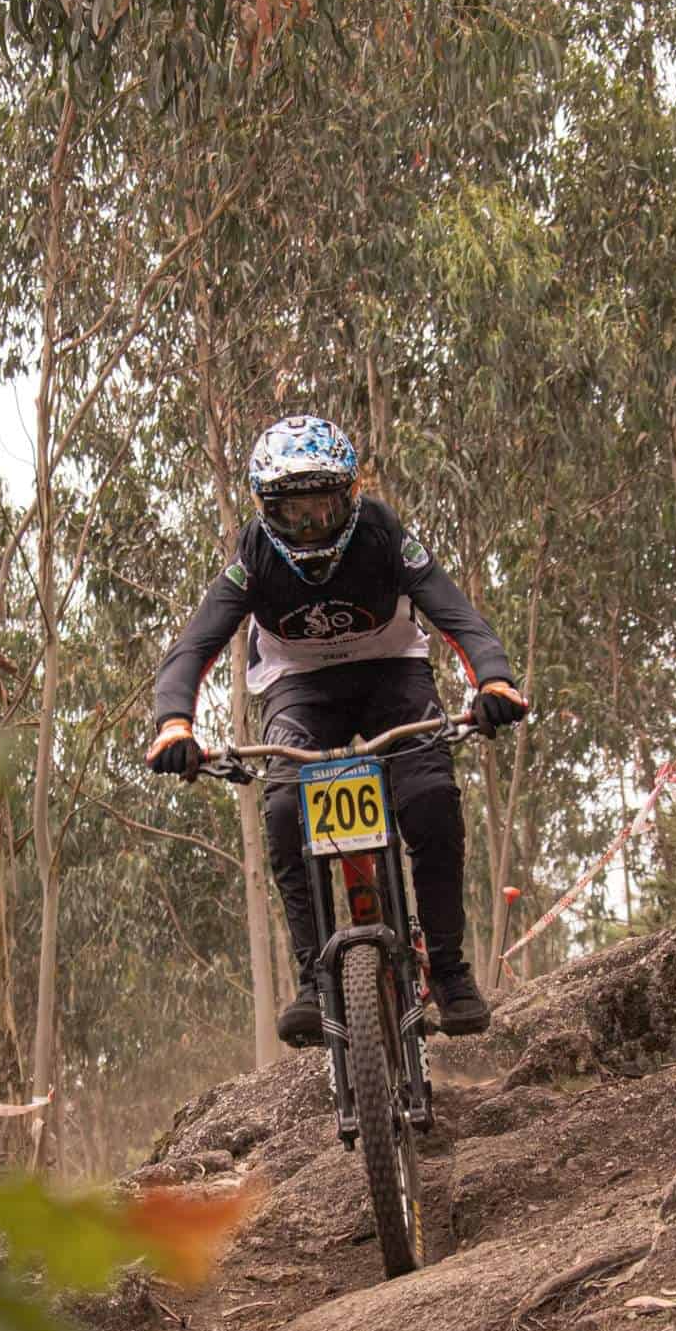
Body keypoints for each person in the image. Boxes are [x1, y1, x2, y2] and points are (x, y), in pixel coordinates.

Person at [147, 414, 527, 1047]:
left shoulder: (383, 534)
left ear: (350, 496)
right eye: (291, 512)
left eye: (321, 508)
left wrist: (494, 680)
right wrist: (174, 723)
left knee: (430, 797)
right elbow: (195, 643)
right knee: (283, 811)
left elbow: (455, 612)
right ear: (265, 509)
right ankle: (313, 980)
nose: (308, 527)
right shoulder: (253, 555)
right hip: (299, 684)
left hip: (392, 672)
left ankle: (450, 970)